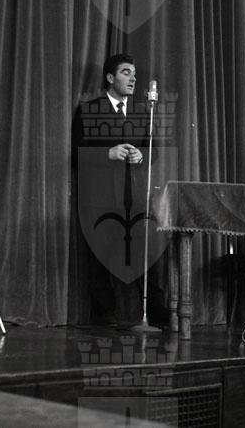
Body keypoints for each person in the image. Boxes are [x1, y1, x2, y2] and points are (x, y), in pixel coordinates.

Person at [72, 53, 155, 325]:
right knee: (100, 259)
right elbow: (76, 154)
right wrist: (107, 153)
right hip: (99, 199)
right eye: (125, 73)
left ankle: (152, 313)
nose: (132, 79)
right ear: (110, 77)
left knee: (140, 255)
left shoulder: (142, 113)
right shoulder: (89, 110)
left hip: (132, 198)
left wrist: (141, 156)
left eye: (134, 74)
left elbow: (151, 151)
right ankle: (105, 316)